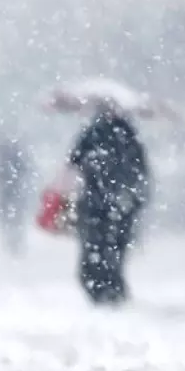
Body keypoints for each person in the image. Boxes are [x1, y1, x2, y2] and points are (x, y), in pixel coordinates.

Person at [67, 102, 150, 305]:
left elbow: (73, 160)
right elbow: (141, 173)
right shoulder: (128, 137)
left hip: (103, 205)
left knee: (101, 249)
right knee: (110, 249)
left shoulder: (99, 135)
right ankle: (109, 287)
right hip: (114, 205)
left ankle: (105, 287)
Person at [0, 136, 32, 256]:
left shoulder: (3, 159)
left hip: (10, 194)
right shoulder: (15, 159)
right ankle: (14, 244)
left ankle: (12, 244)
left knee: (11, 220)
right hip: (14, 194)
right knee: (14, 219)